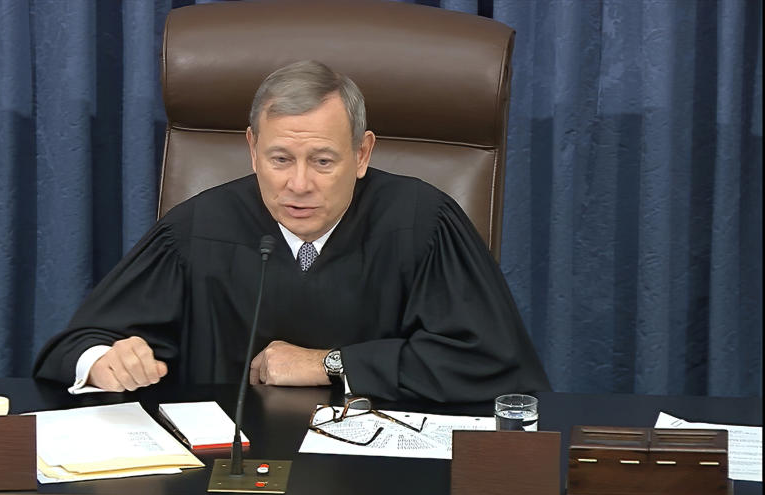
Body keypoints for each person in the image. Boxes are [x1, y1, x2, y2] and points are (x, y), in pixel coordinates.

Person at [33, 60, 551, 402]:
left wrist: (331, 364)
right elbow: (79, 344)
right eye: (279, 158)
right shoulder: (197, 229)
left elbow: (491, 363)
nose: (298, 184)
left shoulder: (422, 222)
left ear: (363, 153)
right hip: (225, 480)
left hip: (382, 479)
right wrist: (105, 363)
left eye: (323, 160)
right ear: (251, 149)